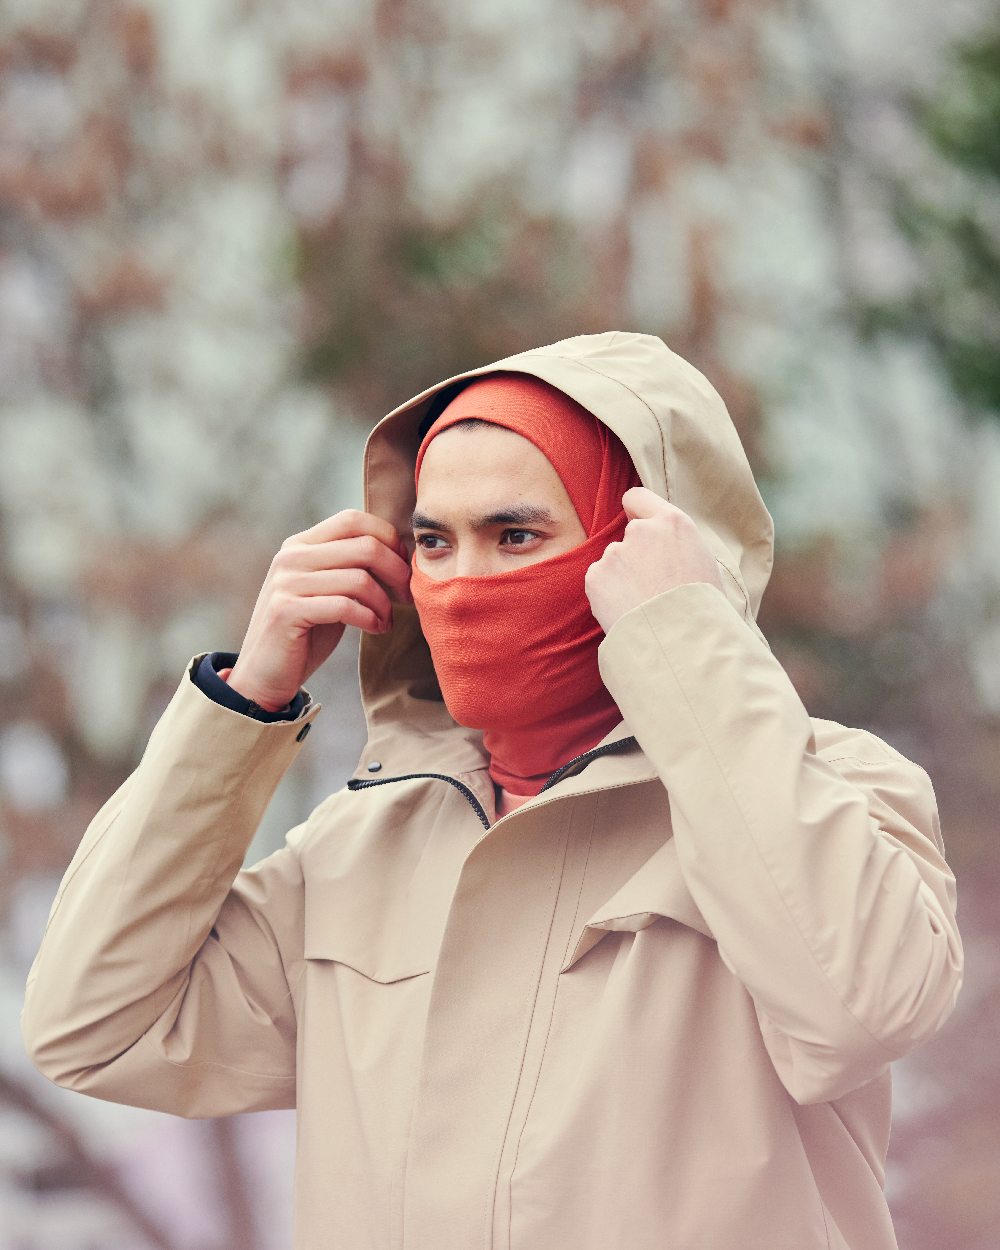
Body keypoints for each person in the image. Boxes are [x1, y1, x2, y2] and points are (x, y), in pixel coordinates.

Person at [22, 331, 962, 1250]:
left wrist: (687, 639)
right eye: (433, 541)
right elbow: (92, 1027)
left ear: (645, 546)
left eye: (515, 535)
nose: (465, 585)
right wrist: (244, 702)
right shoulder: (358, 848)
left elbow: (863, 1010)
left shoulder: (833, 786)